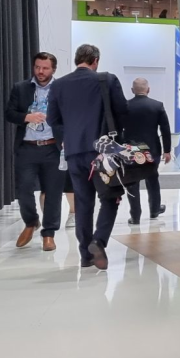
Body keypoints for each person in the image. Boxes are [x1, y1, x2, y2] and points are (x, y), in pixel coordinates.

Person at [48, 44, 128, 270]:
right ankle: (98, 241)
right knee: (111, 197)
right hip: (103, 153)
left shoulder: (59, 85)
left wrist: (69, 136)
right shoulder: (107, 80)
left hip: (74, 152)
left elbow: (53, 119)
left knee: (83, 204)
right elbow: (122, 111)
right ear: (95, 60)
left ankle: (85, 255)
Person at [4, 52, 64, 252]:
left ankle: (49, 233)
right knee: (24, 190)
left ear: (53, 69)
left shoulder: (62, 89)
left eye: (45, 68)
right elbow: (9, 113)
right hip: (27, 148)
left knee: (53, 193)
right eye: (37, 67)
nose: (40, 71)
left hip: (52, 148)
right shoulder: (20, 88)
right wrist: (27, 117)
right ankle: (31, 222)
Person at [122, 78, 171, 224]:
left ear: (132, 90)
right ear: (148, 90)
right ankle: (155, 209)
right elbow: (165, 129)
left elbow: (118, 129)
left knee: (132, 181)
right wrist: (167, 150)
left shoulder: (125, 106)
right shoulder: (157, 106)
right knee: (152, 178)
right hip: (152, 149)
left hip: (131, 149)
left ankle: (135, 216)